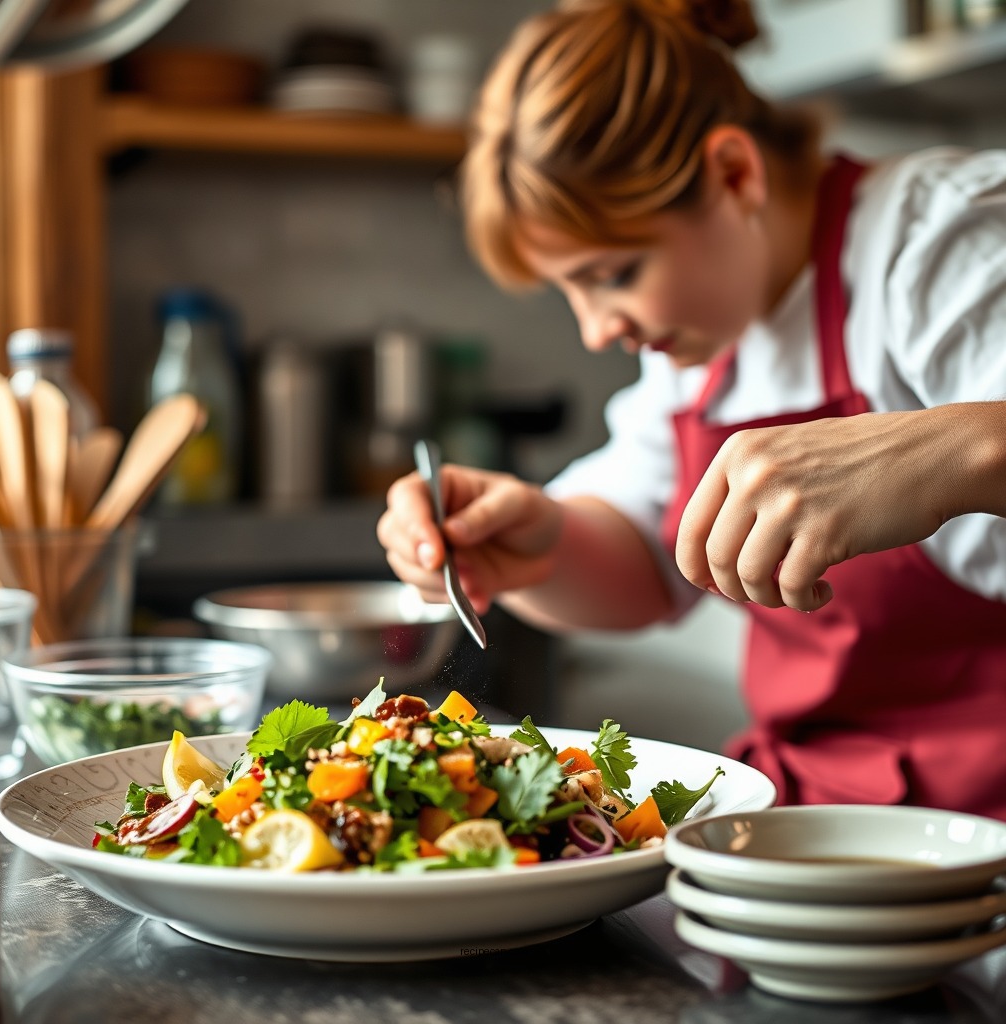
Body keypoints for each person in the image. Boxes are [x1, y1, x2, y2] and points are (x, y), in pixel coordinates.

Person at [377, 0, 1006, 819]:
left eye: (614, 275)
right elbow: (646, 560)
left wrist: (934, 453)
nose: (598, 330)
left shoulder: (941, 238)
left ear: (734, 174)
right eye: (569, 290)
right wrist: (538, 546)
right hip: (820, 817)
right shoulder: (703, 339)